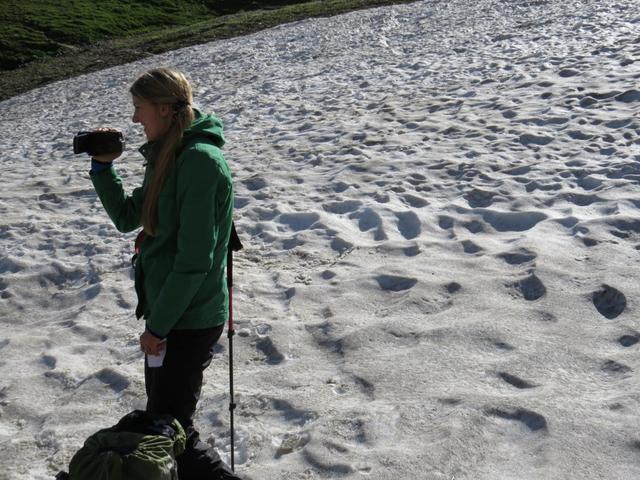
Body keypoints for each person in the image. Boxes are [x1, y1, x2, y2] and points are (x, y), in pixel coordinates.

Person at [89, 67, 243, 480]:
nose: (134, 118)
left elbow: (194, 261)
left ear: (162, 108)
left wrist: (158, 327)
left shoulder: (199, 162)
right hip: (168, 313)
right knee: (165, 425)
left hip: (187, 319)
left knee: (171, 433)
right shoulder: (167, 154)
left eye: (139, 108)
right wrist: (103, 167)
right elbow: (128, 217)